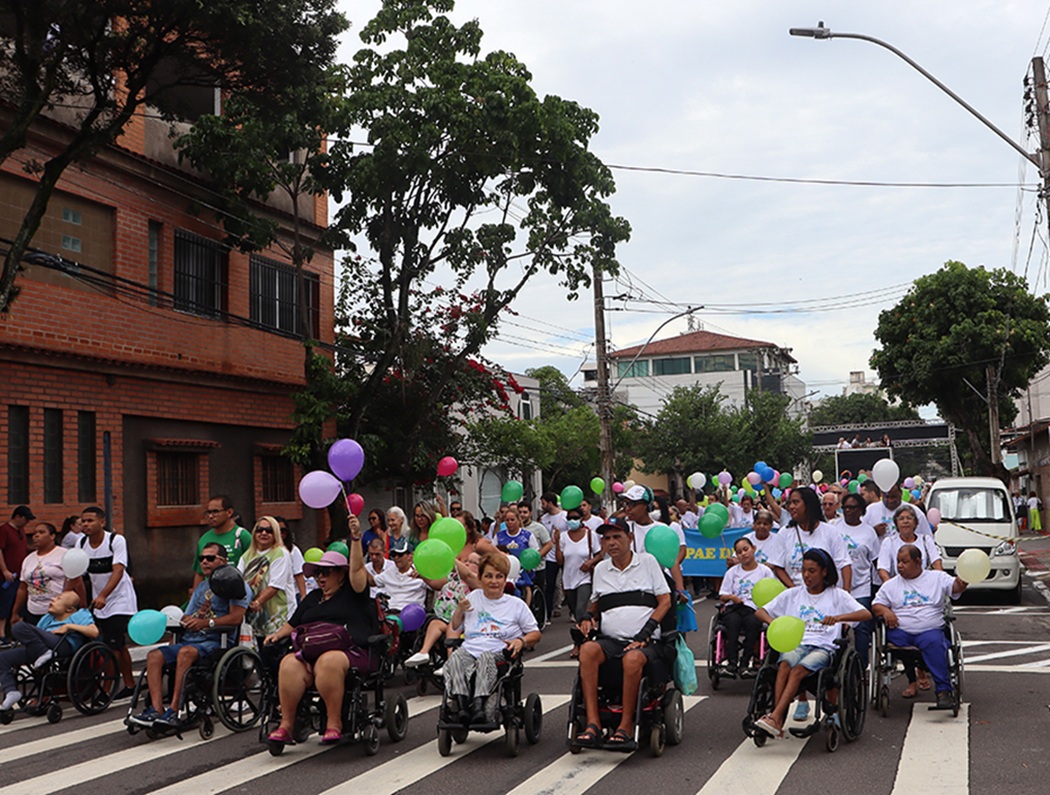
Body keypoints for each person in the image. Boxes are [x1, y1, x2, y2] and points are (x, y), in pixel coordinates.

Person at [264, 538, 377, 746]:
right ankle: (286, 725)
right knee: (289, 663)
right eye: (317, 573)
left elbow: (357, 570)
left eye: (326, 572)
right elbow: (293, 623)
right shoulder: (313, 598)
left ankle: (334, 723)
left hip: (350, 651)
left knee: (328, 661)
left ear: (341, 574)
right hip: (311, 651)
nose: (320, 577)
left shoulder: (354, 594)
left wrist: (355, 538)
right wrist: (277, 636)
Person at [574, 517, 673, 751]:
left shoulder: (647, 562)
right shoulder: (601, 569)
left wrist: (644, 633)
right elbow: (596, 604)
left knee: (633, 658)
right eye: (606, 538)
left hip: (646, 640)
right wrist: (587, 617)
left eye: (617, 537)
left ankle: (626, 725)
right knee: (587, 650)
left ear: (629, 538)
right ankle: (593, 723)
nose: (611, 543)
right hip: (611, 640)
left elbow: (665, 601)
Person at [753, 549, 871, 738]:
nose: (806, 575)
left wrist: (838, 618)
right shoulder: (793, 594)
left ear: (824, 572)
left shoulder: (837, 595)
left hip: (824, 647)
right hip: (797, 644)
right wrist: (774, 623)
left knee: (797, 670)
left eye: (811, 571)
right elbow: (760, 611)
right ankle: (777, 720)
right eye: (803, 570)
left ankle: (775, 716)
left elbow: (866, 614)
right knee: (783, 665)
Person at [130, 544, 250, 727]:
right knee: (154, 656)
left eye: (210, 558)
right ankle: (156, 709)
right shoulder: (201, 587)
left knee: (185, 653)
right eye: (202, 558)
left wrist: (206, 623)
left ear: (223, 561)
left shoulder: (236, 585)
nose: (204, 562)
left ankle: (174, 710)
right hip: (192, 639)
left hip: (216, 641)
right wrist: (184, 620)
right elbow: (189, 614)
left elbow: (236, 618)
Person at [445, 552, 541, 724]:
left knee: (485, 658)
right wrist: (460, 609)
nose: (494, 581)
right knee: (455, 658)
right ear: (480, 578)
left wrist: (521, 641)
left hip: (499, 653)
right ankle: (461, 705)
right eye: (488, 576)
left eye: (499, 576)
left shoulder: (516, 604)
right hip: (470, 650)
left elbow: (535, 633)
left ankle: (478, 705)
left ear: (505, 580)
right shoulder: (472, 597)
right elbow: (455, 626)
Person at [873, 544, 969, 709]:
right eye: (898, 561)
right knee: (891, 638)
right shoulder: (891, 584)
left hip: (929, 631)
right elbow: (876, 605)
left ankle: (943, 691)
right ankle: (913, 679)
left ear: (918, 562)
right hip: (901, 632)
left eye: (904, 562)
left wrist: (962, 583)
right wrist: (885, 611)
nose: (900, 566)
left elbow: (955, 587)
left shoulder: (936, 578)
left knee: (934, 642)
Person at [0, 592, 98, 710]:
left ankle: (44, 653)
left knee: (19, 626)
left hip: (63, 645)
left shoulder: (79, 614)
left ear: (69, 609)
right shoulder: (48, 617)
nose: (53, 600)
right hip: (43, 645)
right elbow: (35, 636)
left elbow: (94, 632)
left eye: (58, 599)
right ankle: (11, 691)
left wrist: (69, 626)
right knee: (3, 658)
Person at [79, 506, 137, 697]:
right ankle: (130, 684)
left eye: (90, 520)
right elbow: (76, 574)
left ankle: (107, 688)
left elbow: (118, 571)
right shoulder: (81, 543)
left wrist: (104, 595)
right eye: (83, 521)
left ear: (102, 522)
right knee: (118, 644)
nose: (85, 524)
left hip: (120, 599)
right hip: (98, 602)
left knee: (111, 645)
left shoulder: (115, 540)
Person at [404, 551, 481, 668]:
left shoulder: (477, 581)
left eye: (471, 562)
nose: (466, 564)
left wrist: (446, 555)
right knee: (434, 624)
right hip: (445, 616)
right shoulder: (454, 577)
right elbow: (436, 584)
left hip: (464, 620)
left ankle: (451, 663)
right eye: (466, 561)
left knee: (452, 628)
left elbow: (468, 575)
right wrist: (422, 576)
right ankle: (424, 652)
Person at [719, 537, 776, 676]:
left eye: (745, 549)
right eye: (739, 552)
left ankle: (745, 663)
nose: (743, 554)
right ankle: (732, 663)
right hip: (735, 608)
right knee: (732, 623)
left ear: (753, 549)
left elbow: (773, 594)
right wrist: (732, 597)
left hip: (754, 609)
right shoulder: (732, 572)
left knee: (753, 623)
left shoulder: (765, 572)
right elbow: (722, 595)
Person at [835, 493, 881, 662]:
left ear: (861, 510)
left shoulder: (869, 532)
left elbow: (875, 560)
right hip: (837, 587)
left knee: (861, 627)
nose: (848, 511)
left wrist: (881, 585)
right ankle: (838, 663)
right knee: (836, 626)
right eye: (845, 507)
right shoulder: (834, 527)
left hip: (861, 586)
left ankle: (862, 665)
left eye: (852, 507)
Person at [238, 517, 296, 639]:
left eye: (269, 530)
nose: (264, 533)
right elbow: (239, 582)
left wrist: (257, 602)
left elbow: (275, 586)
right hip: (254, 618)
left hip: (279, 616)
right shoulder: (247, 556)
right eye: (260, 530)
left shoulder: (280, 553)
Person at [12, 522, 79, 626]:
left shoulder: (64, 555)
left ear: (52, 536)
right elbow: (22, 588)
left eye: (41, 532)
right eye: (34, 533)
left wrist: (82, 607)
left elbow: (77, 580)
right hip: (33, 611)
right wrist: (15, 613)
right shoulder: (28, 559)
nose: (36, 536)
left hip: (58, 612)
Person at [556, 507, 603, 654]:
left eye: (575, 518)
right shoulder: (564, 537)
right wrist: (556, 543)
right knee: (576, 612)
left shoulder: (590, 535)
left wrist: (590, 562)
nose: (572, 521)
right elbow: (560, 561)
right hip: (568, 579)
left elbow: (600, 554)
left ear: (582, 519)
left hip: (584, 578)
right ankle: (585, 638)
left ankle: (578, 644)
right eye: (569, 518)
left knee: (581, 609)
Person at [192, 496, 251, 590]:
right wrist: (195, 595)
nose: (211, 516)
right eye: (208, 512)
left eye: (215, 512)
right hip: (210, 593)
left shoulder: (242, 536)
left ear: (229, 512)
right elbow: (199, 573)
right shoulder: (204, 539)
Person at [877, 504, 942, 583]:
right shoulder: (889, 542)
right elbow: (883, 569)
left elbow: (936, 563)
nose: (905, 521)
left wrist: (938, 583)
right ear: (896, 523)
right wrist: (890, 587)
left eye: (909, 518)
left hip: (924, 584)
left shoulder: (926, 540)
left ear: (915, 522)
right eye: (901, 519)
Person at [0, 505, 34, 640]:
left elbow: (22, 547)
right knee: (5, 604)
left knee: (20, 605)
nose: (27, 522)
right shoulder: (4, 530)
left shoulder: (21, 531)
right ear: (18, 517)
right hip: (8, 576)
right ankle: (1, 634)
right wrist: (4, 570)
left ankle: (18, 633)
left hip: (21, 574)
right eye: (25, 519)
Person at [368, 537, 429, 611]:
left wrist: (423, 577)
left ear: (410, 556)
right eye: (394, 555)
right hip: (391, 612)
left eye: (400, 554)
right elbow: (372, 581)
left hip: (413, 612)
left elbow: (438, 586)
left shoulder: (420, 571)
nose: (396, 558)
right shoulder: (390, 571)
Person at [539, 493, 568, 619]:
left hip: (564, 553)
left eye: (543, 503)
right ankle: (548, 613)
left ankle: (571, 609)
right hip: (550, 556)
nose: (542, 506)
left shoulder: (565, 516)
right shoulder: (544, 519)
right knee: (550, 584)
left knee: (566, 583)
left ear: (550, 503)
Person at [866, 484, 931, 540]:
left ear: (901, 493)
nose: (890, 500)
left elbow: (927, 539)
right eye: (887, 497)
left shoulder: (916, 512)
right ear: (881, 494)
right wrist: (874, 532)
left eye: (894, 497)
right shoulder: (870, 510)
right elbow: (861, 536)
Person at [276, 517, 307, 602]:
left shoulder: (293, 550)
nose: (280, 533)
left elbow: (298, 574)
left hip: (291, 595)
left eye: (283, 531)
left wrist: (303, 596)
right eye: (276, 530)